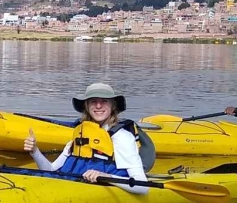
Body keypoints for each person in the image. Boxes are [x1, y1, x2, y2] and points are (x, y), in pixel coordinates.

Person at [21, 82, 151, 192]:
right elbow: (50, 171)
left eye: (104, 101)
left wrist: (105, 176)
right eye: (93, 101)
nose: (98, 106)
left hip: (101, 191)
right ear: (87, 106)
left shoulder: (122, 138)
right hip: (72, 187)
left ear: (113, 106)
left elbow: (142, 186)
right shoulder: (79, 135)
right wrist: (34, 151)